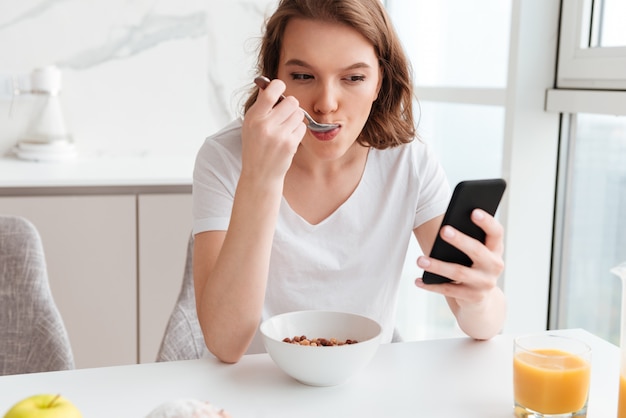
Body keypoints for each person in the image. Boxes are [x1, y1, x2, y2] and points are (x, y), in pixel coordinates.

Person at [192, 0, 506, 364]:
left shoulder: (408, 161)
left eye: (354, 78)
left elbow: (483, 324)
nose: (326, 104)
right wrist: (261, 177)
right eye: (303, 76)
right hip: (252, 389)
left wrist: (480, 296)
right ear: (272, 80)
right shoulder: (225, 158)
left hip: (366, 387)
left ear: (379, 83)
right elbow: (225, 343)